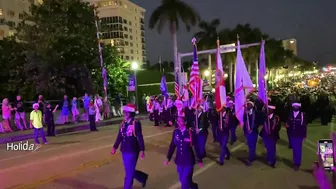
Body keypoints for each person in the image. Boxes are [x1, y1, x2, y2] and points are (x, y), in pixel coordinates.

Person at [111, 103, 148, 189]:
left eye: (127, 112)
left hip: (133, 150)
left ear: (131, 114)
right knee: (129, 171)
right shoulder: (123, 123)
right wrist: (114, 147)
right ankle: (142, 177)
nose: (125, 114)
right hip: (124, 150)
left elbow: (140, 137)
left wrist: (142, 150)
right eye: (124, 112)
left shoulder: (136, 123)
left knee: (129, 174)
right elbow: (119, 136)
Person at [165, 116, 202, 189]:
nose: (179, 123)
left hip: (188, 161)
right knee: (182, 180)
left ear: (185, 122)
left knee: (184, 183)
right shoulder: (176, 132)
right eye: (177, 121)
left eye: (180, 121)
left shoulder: (190, 132)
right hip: (179, 160)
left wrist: (199, 159)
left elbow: (196, 146)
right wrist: (168, 158)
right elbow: (172, 145)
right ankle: (194, 187)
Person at [286, 102, 307, 171]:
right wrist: (287, 126)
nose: (295, 108)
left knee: (298, 149)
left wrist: (304, 135)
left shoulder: (302, 115)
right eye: (294, 106)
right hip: (292, 134)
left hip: (299, 135)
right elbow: (288, 123)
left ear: (299, 107)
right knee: (294, 149)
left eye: (297, 106)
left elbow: (304, 126)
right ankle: (295, 161)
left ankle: (297, 163)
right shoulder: (290, 114)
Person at [243, 101, 262, 166]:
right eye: (247, 104)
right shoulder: (246, 113)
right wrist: (245, 114)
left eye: (249, 104)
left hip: (253, 132)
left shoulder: (256, 113)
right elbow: (244, 121)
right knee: (250, 145)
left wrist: (253, 127)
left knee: (252, 145)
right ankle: (253, 156)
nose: (248, 105)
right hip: (247, 131)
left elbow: (259, 121)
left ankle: (250, 159)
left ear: (252, 106)